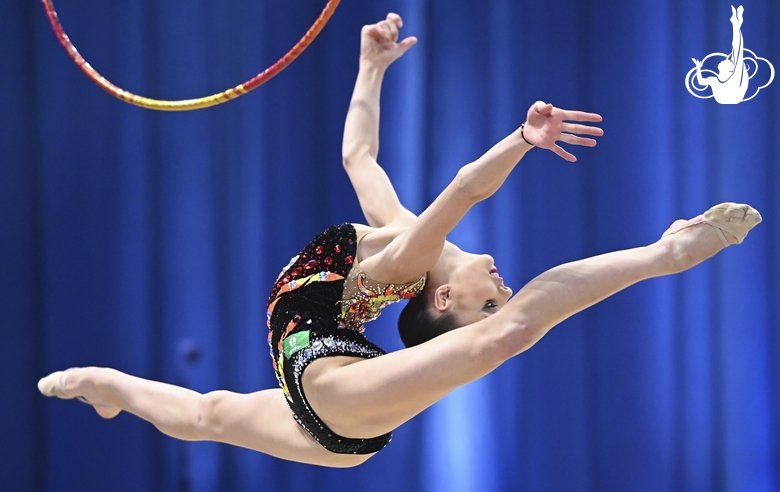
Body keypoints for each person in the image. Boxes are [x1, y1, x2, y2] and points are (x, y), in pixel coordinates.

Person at [39, 13, 761, 468]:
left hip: (335, 390)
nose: (502, 283)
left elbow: (464, 189)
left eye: (488, 298)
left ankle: (665, 254)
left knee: (503, 338)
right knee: (204, 415)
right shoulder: (396, 246)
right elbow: (360, 157)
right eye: (501, 292)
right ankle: (111, 389)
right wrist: (370, 67)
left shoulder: (405, 262)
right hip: (339, 412)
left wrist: (519, 139)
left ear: (442, 296)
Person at [692, 5, 748, 104]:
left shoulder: (734, 77)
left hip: (733, 96)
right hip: (727, 98)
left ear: (729, 69)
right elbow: (701, 82)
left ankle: (736, 23)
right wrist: (698, 67)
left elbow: (737, 49)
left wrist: (736, 26)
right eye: (727, 60)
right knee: (736, 51)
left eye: (727, 61)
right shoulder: (714, 80)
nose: (725, 59)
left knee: (737, 51)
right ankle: (736, 23)